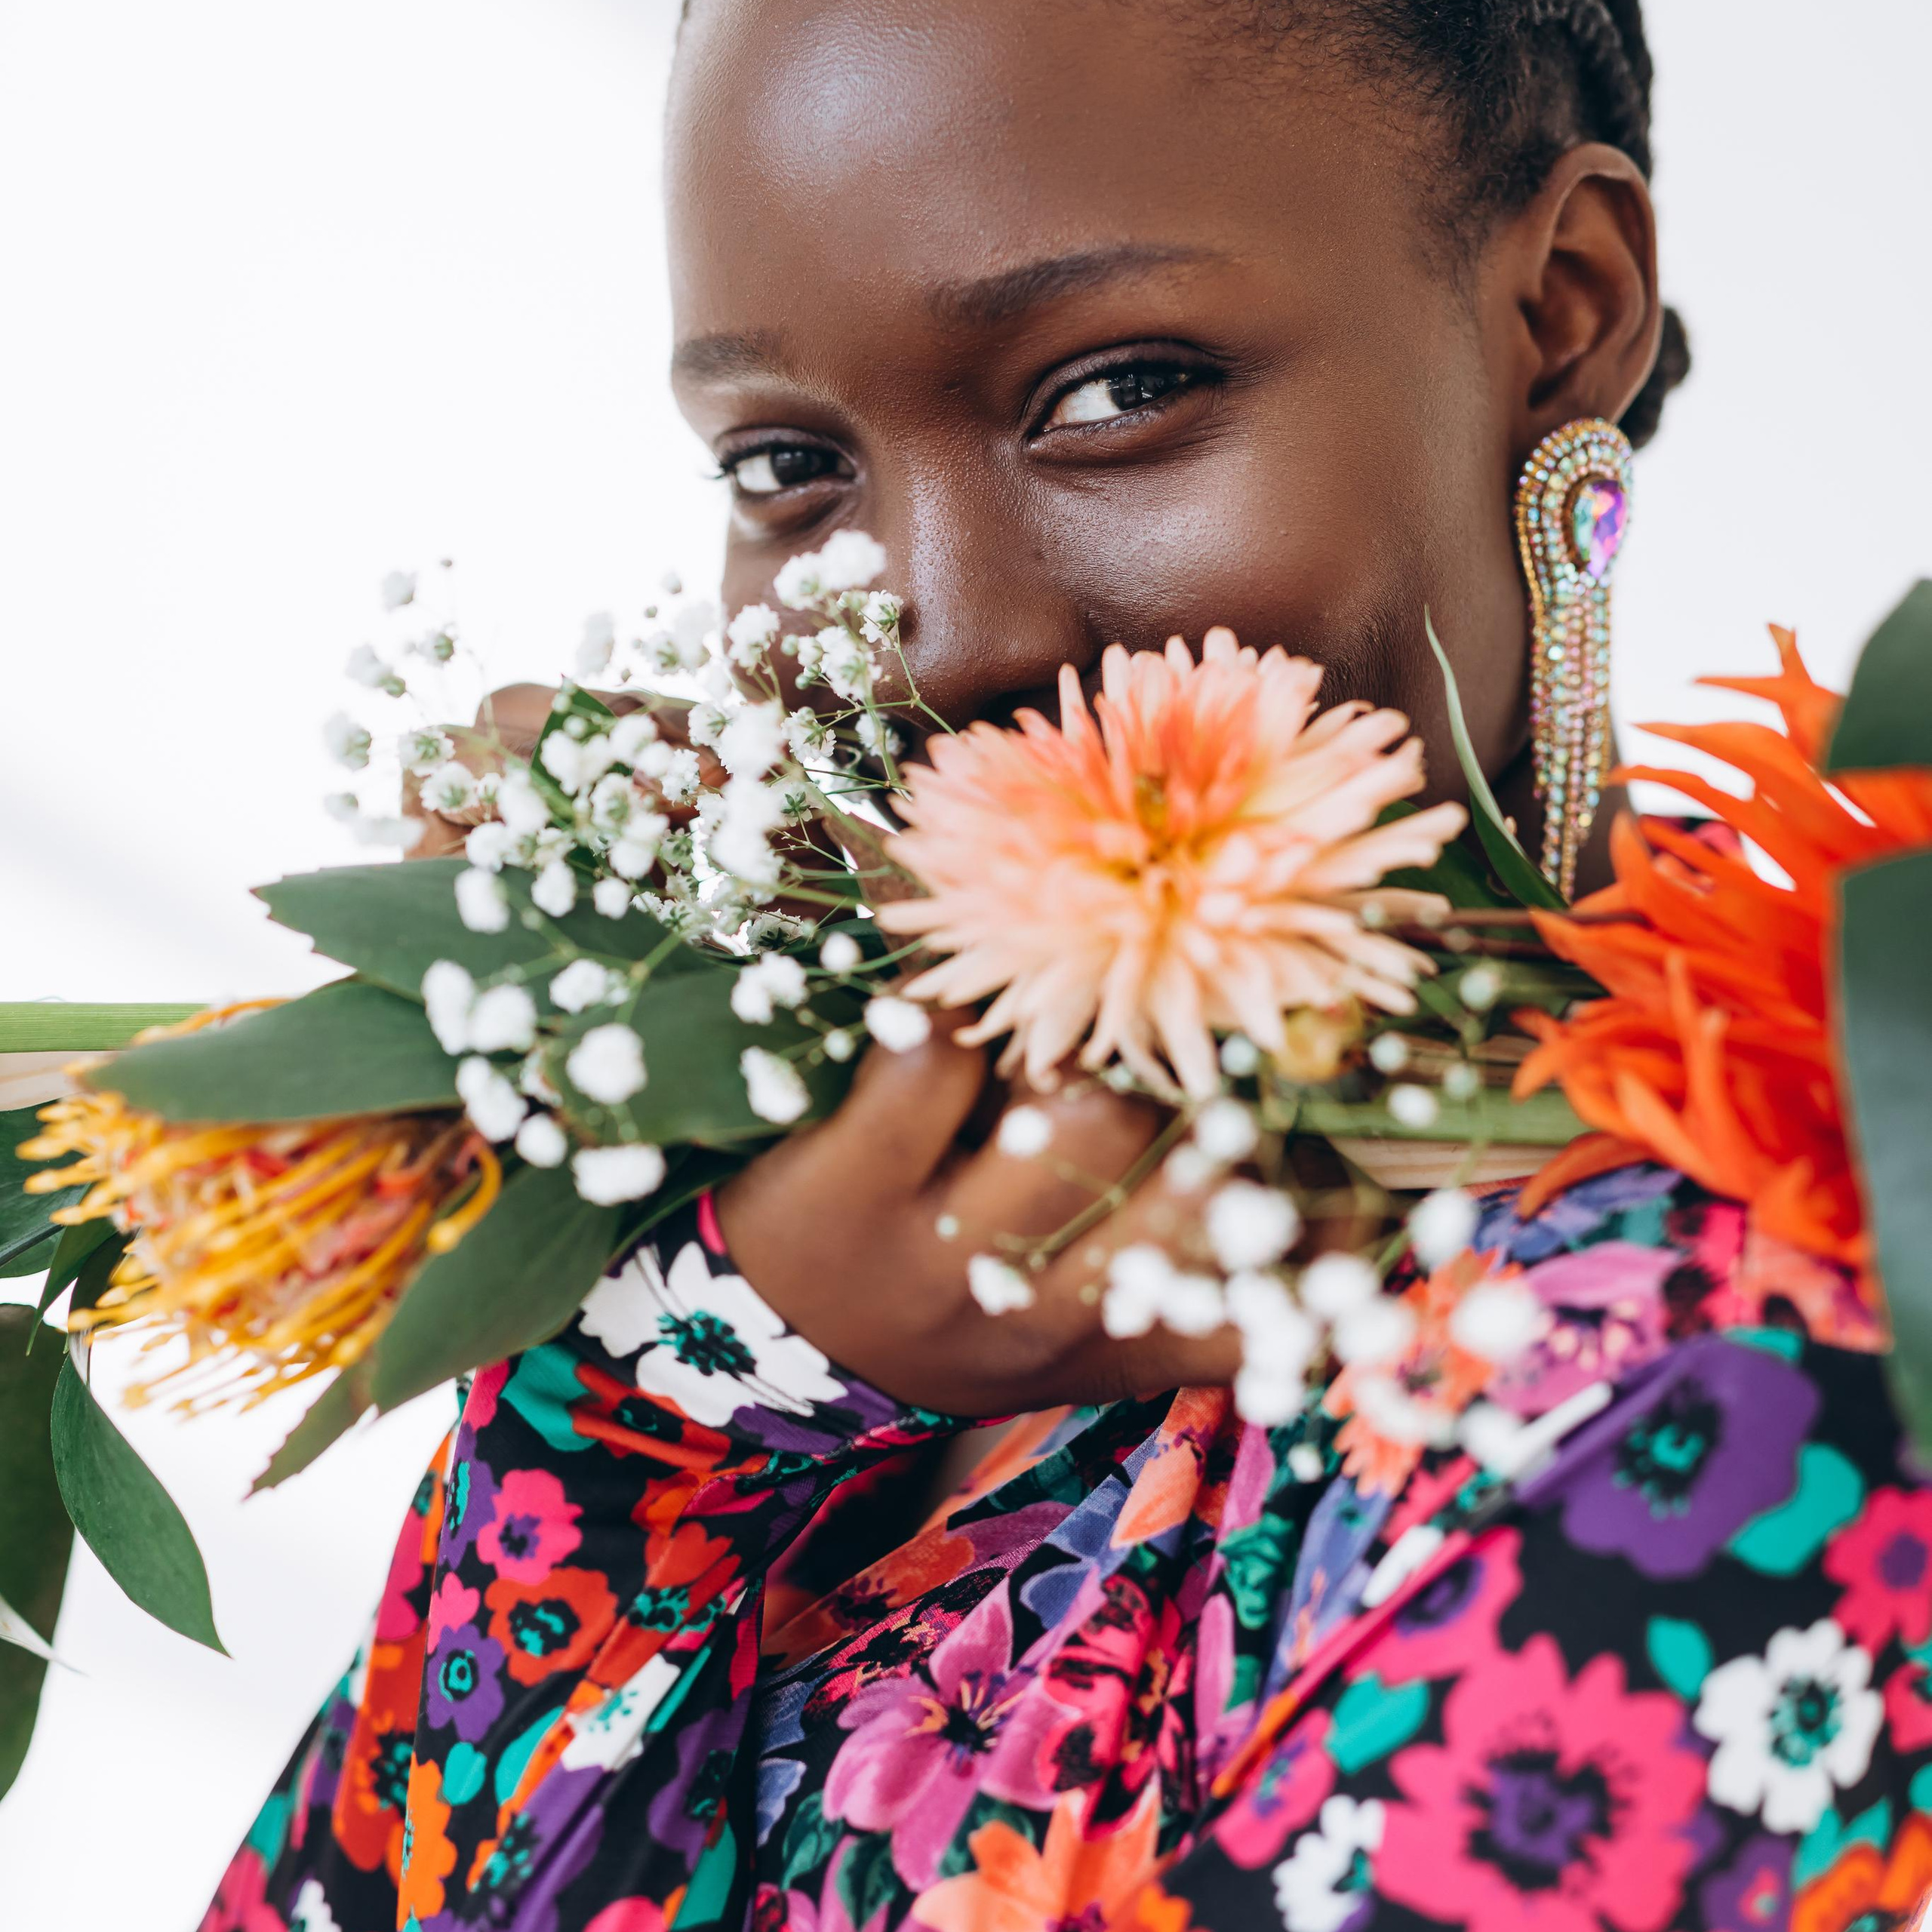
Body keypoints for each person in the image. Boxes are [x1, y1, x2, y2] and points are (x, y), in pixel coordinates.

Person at [201, 5, 1932, 1930]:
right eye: (787, 462)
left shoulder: (1754, 1369)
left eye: (1114, 390)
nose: (940, 639)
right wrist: (678, 1381)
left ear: (1560, 309)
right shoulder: (828, 1257)